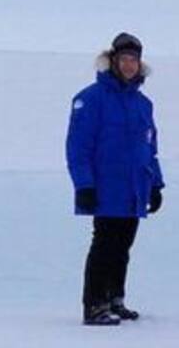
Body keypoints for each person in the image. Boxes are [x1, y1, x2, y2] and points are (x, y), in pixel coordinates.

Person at [65, 32, 165, 326]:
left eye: (134, 59)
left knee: (123, 245)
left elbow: (150, 148)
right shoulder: (90, 99)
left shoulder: (142, 104)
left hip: (134, 188)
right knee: (105, 244)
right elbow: (78, 148)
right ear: (113, 61)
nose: (130, 65)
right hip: (105, 187)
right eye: (124, 59)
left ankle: (114, 298)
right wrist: (83, 185)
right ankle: (94, 304)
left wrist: (156, 184)